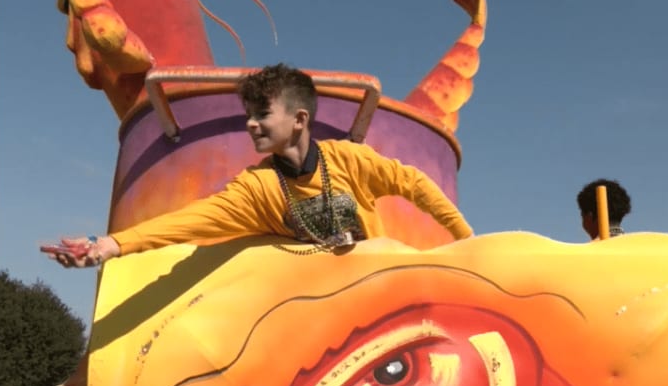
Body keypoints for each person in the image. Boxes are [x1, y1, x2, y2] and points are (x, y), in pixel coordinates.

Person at [47, 63, 473, 268]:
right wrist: (111, 244)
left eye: (263, 115)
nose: (251, 124)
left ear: (299, 120)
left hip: (374, 288)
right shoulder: (257, 188)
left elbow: (415, 183)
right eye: (249, 114)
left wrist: (466, 242)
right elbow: (190, 221)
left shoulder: (349, 160)